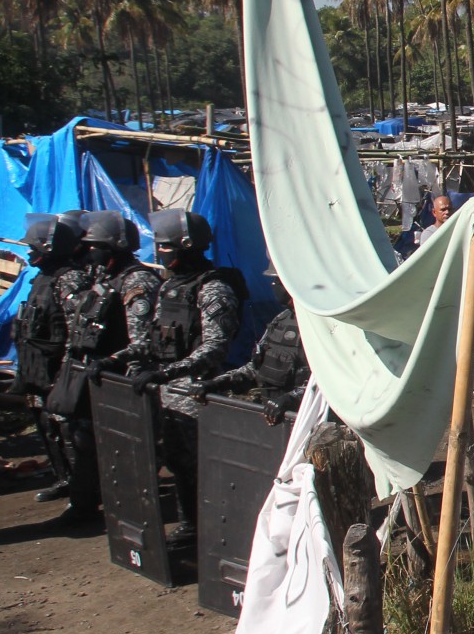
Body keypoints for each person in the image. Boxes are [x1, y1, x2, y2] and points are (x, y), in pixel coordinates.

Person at [112, 210, 243, 546]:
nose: (161, 254)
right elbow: (150, 339)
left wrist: (167, 372)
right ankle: (190, 525)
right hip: (167, 392)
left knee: (203, 467)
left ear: (187, 247)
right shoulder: (170, 287)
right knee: (178, 464)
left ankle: (216, 532)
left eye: (166, 248)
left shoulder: (214, 290)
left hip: (198, 393)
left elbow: (215, 347)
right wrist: (117, 359)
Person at [49, 212, 158, 526]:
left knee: (125, 450)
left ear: (114, 246)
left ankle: (131, 511)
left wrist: (117, 363)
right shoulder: (103, 278)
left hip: (121, 379)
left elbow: (143, 339)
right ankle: (84, 505)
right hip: (93, 376)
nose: (90, 251)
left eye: (95, 245)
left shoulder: (137, 280)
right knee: (84, 442)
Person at [11, 212, 91, 501]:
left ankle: (81, 488)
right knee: (46, 424)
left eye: (33, 247)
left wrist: (68, 373)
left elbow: (77, 331)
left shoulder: (70, 280)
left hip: (58, 369)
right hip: (37, 368)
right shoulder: (42, 278)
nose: (29, 253)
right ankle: (63, 478)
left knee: (68, 428)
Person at [197, 283, 310, 425]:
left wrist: (291, 400)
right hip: (267, 415)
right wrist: (217, 383)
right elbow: (255, 367)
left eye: (278, 281)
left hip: (301, 422)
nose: (273, 286)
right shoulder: (282, 319)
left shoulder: (320, 324)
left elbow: (326, 382)